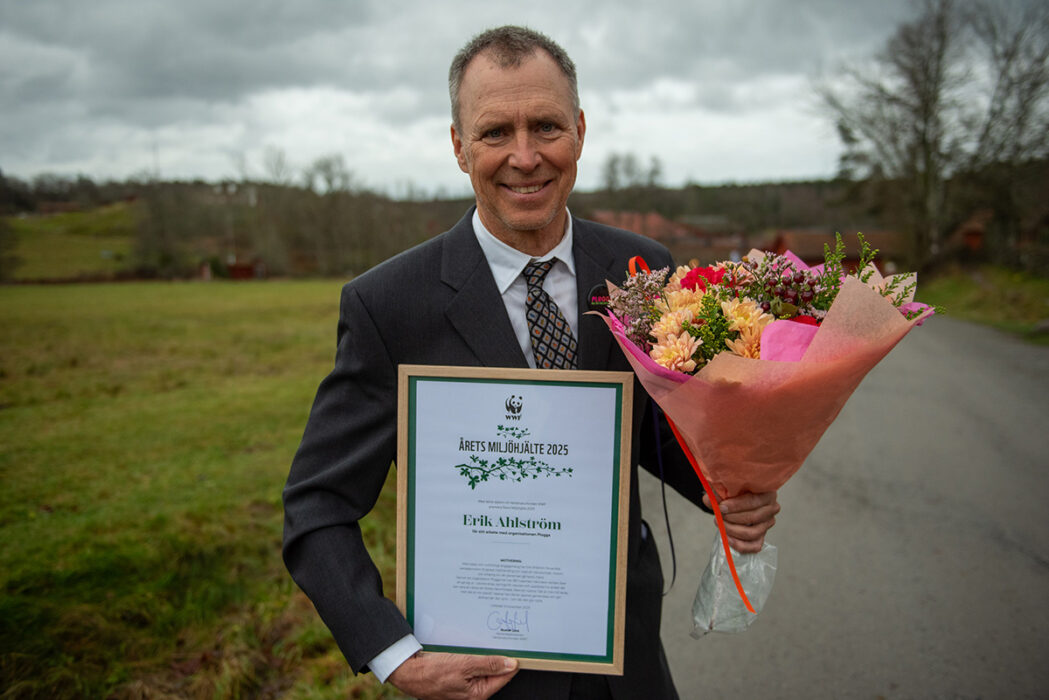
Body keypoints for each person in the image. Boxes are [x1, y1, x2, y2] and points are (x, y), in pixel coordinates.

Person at [282, 25, 780, 700]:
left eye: (546, 126)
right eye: (495, 132)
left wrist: (727, 488)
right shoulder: (389, 305)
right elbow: (317, 506)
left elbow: (648, 431)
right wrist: (395, 656)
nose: (525, 157)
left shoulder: (643, 270)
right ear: (458, 147)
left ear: (579, 130)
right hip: (484, 674)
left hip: (625, 652)